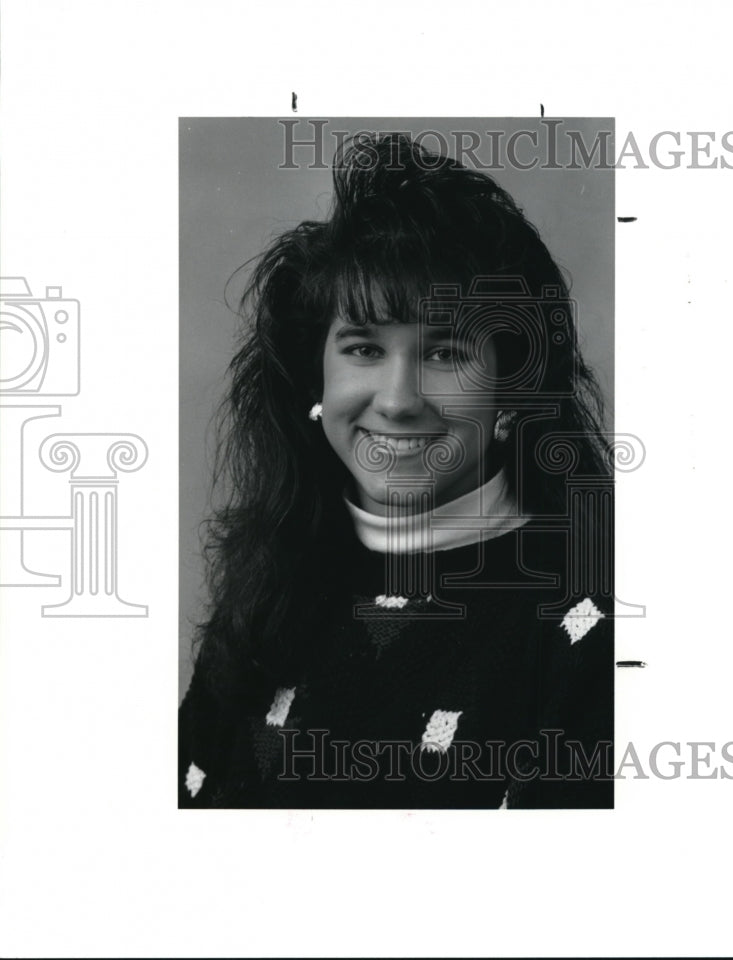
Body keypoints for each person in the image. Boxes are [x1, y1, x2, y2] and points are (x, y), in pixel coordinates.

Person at [179, 133, 614, 809]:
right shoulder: (270, 591)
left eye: (444, 352)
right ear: (314, 380)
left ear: (512, 394)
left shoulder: (589, 625)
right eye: (363, 347)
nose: (397, 400)